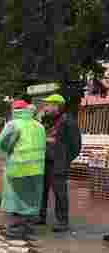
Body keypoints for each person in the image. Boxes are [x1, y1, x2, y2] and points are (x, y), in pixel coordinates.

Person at [0, 100, 47, 239]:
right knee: (31, 198)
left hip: (18, 167)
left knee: (16, 198)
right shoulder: (39, 126)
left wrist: (7, 154)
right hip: (37, 168)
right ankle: (28, 228)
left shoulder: (14, 124)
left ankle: (15, 230)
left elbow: (0, 144)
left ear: (15, 110)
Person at [34, 94, 82, 232]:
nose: (45, 107)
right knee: (42, 190)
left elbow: (75, 145)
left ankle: (63, 221)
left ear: (57, 105)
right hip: (47, 161)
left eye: (48, 105)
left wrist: (64, 159)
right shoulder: (50, 120)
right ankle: (40, 216)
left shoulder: (68, 121)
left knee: (60, 192)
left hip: (58, 163)